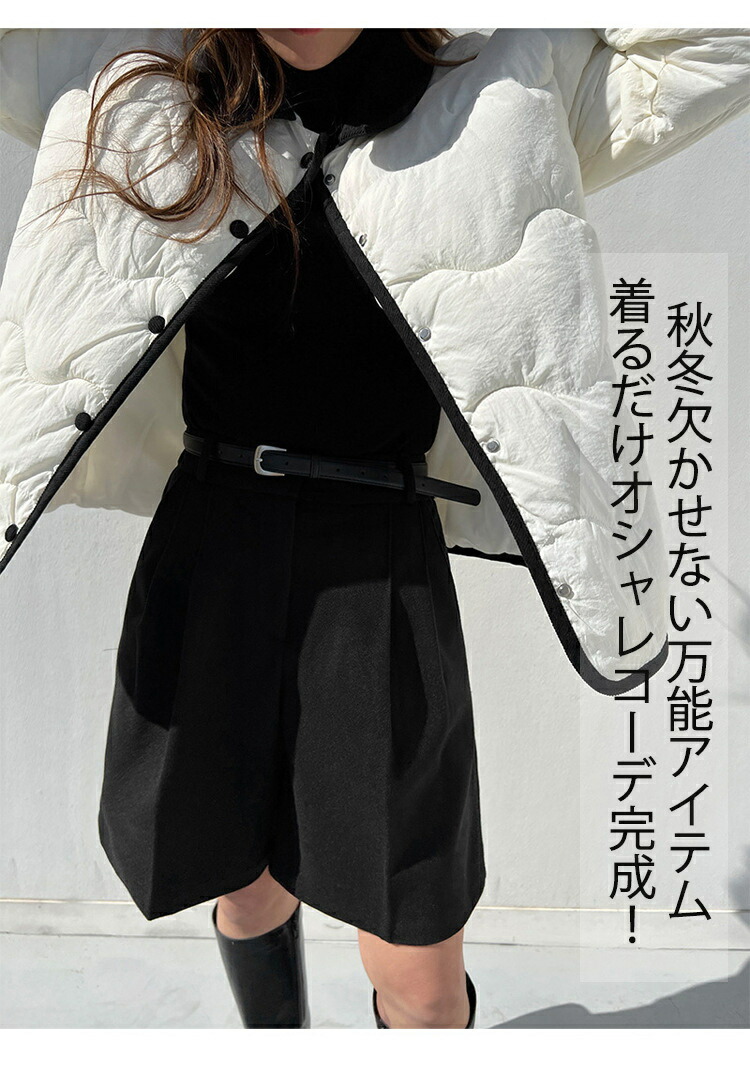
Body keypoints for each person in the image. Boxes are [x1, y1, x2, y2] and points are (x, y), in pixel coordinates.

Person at [0, 26, 748, 1030]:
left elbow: (721, 41)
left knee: (417, 958)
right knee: (242, 882)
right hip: (213, 542)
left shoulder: (498, 92)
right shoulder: (153, 87)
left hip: (378, 556)